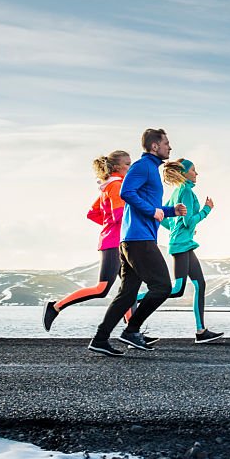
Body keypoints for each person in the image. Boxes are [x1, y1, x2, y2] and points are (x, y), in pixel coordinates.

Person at [88, 128, 187, 356]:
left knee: (128, 294)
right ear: (154, 146)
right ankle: (131, 331)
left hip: (135, 239)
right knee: (162, 287)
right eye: (166, 143)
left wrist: (171, 211)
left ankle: (100, 339)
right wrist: (153, 210)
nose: (169, 148)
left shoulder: (151, 168)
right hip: (138, 240)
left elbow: (144, 202)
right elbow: (126, 193)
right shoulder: (142, 167)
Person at [42, 150, 131, 332]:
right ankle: (55, 306)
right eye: (128, 164)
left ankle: (132, 330)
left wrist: (108, 224)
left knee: (129, 288)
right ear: (116, 167)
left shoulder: (109, 186)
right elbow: (119, 214)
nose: (131, 168)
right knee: (102, 288)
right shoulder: (116, 186)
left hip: (117, 241)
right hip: (113, 243)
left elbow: (93, 213)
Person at [159, 158, 224, 343]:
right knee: (177, 289)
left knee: (199, 284)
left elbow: (165, 219)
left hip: (184, 244)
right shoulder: (186, 191)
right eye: (194, 170)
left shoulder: (176, 192)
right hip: (181, 246)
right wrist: (206, 209)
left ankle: (201, 331)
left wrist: (181, 230)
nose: (197, 174)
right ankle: (131, 300)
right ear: (184, 173)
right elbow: (188, 220)